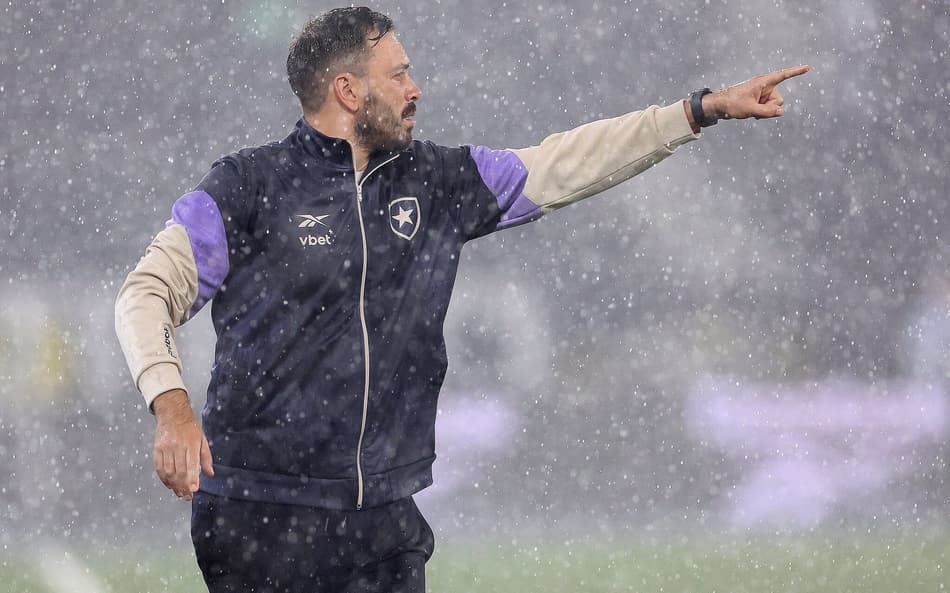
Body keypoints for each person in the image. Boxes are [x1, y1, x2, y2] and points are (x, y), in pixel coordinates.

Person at [115, 6, 809, 592]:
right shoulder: (249, 186)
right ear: (349, 91)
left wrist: (695, 112)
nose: (416, 88)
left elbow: (562, 163)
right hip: (261, 514)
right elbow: (146, 293)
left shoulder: (436, 181)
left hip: (384, 516)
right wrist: (171, 404)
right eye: (399, 74)